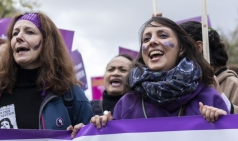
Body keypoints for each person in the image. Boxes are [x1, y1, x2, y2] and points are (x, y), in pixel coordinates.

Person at [0, 12, 92, 137]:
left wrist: (88, 131)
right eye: (15, 33)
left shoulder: (71, 95)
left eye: (29, 32)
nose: (19, 37)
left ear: (47, 42)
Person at [90, 17, 228, 129]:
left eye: (162, 35)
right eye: (146, 39)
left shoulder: (209, 98)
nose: (152, 42)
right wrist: (100, 129)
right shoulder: (127, 104)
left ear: (181, 49)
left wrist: (221, 123)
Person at [179, 21, 238, 113]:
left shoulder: (232, 84)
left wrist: (223, 103)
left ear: (198, 47)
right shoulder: (182, 86)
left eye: (181, 47)